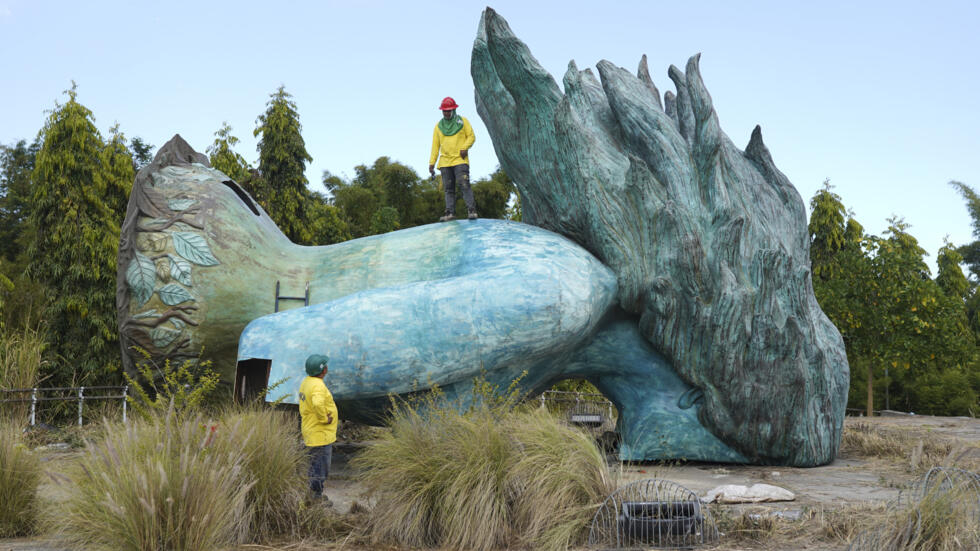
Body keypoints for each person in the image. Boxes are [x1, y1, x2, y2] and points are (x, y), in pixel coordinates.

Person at [298, 353, 338, 505]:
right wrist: (324, 419)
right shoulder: (317, 386)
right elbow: (317, 403)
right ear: (323, 370)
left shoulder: (307, 382)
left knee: (314, 463)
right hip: (319, 434)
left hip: (311, 430)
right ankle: (316, 498)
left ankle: (313, 493)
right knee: (321, 466)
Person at [429, 96, 477, 221]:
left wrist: (464, 148)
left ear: (454, 110)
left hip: (460, 160)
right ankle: (450, 213)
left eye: (448, 110)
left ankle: (471, 210)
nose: (446, 113)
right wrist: (431, 163)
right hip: (445, 162)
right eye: (444, 111)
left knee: (464, 184)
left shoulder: (463, 122)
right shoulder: (438, 127)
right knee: (448, 189)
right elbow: (435, 146)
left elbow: (471, 136)